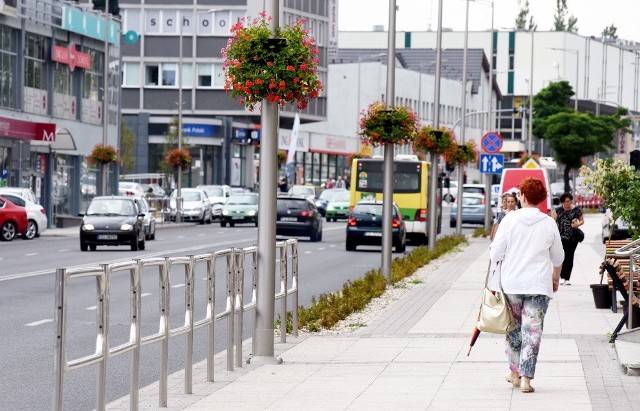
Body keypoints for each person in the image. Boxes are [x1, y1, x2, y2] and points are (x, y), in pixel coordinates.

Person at [489, 177, 564, 394]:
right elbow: (558, 257)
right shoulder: (549, 222)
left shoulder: (509, 221)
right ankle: (526, 379)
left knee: (513, 329)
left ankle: (513, 372)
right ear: (541, 199)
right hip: (539, 285)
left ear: (522, 196)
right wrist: (555, 277)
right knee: (533, 330)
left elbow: (496, 253)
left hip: (512, 284)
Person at [551, 192, 584, 285]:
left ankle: (567, 277)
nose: (567, 203)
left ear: (571, 201)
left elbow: (582, 220)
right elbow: (552, 223)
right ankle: (562, 276)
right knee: (562, 257)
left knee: (570, 257)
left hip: (573, 238)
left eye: (568, 201)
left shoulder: (576, 210)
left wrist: (577, 224)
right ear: (562, 202)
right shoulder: (557, 211)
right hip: (561, 237)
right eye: (564, 202)